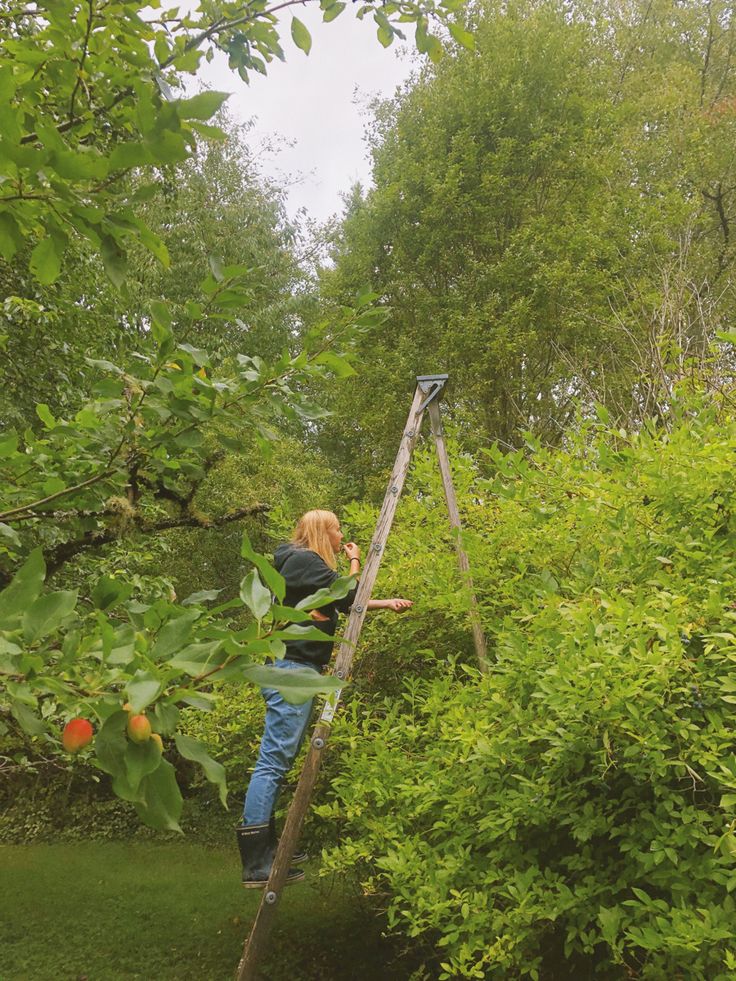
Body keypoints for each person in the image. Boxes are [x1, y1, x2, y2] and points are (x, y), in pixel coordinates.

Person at [236, 509, 413, 888]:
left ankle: (270, 848)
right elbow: (346, 590)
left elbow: (344, 603)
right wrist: (354, 560)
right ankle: (256, 860)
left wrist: (387, 603)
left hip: (297, 671)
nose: (340, 535)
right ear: (322, 532)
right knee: (272, 762)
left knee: (278, 759)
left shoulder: (303, 565)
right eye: (336, 530)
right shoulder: (303, 559)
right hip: (293, 671)